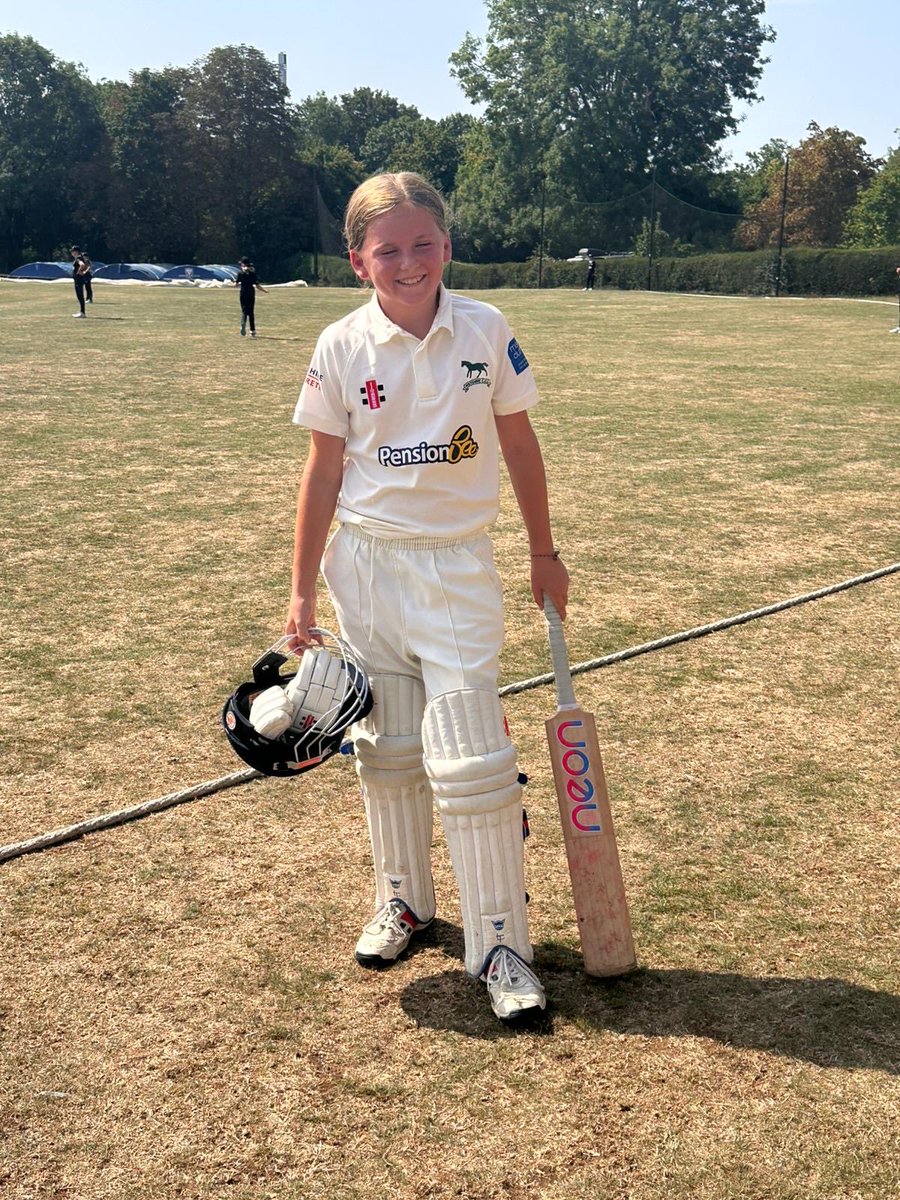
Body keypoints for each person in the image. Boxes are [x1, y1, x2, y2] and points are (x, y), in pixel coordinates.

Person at [285, 172, 569, 1022]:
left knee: (474, 759)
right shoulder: (340, 345)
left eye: (422, 244)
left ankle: (501, 943)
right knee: (388, 748)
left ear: (447, 246)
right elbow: (323, 471)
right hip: (367, 568)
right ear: (357, 262)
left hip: (454, 566)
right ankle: (403, 900)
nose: (408, 263)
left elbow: (520, 445)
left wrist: (544, 551)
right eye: (388, 250)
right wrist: (300, 590)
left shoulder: (485, 329)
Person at [234, 257, 267, 337]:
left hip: (243, 293)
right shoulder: (253, 274)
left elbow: (236, 285)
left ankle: (243, 322)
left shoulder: (240, 273)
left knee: (244, 310)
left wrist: (231, 284)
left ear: (242, 264)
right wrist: (265, 290)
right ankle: (252, 330)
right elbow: (257, 285)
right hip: (251, 293)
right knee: (251, 312)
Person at [70, 246, 92, 316]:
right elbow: (88, 265)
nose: (72, 253)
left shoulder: (78, 258)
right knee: (81, 295)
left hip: (78, 279)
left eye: (73, 251)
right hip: (81, 278)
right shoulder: (82, 257)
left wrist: (79, 271)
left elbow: (82, 265)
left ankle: (82, 312)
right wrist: (84, 272)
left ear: (76, 252)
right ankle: (82, 312)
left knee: (80, 295)